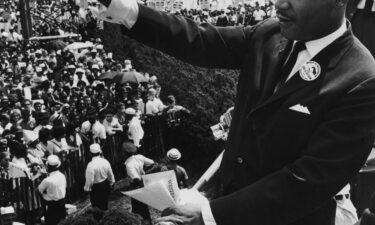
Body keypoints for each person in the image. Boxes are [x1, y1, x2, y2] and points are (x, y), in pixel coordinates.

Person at [81, 0, 375, 225]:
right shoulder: (271, 32)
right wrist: (124, 8)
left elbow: (307, 182)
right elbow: (201, 40)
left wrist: (211, 214)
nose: (279, 4)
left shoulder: (361, 79)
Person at [84, 143, 115, 210]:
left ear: (90, 153)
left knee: (96, 207)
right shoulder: (105, 161)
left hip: (96, 189)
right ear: (100, 152)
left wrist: (87, 189)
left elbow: (90, 180)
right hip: (105, 185)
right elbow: (110, 174)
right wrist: (112, 182)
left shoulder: (90, 165)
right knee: (105, 205)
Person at [38, 155, 67, 225]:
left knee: (51, 222)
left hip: (52, 206)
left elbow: (39, 190)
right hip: (62, 203)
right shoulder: (62, 176)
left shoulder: (47, 180)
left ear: (48, 167)